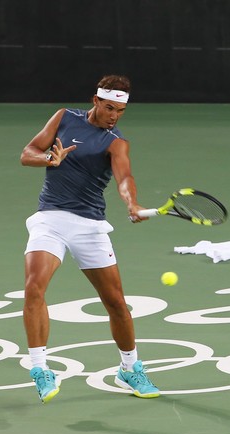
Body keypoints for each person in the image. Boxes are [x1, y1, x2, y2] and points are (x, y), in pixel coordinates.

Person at [19, 74, 159, 403]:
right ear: (95, 101)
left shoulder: (116, 143)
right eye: (109, 108)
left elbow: (125, 177)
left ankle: (129, 368)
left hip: (90, 226)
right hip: (50, 218)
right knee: (33, 287)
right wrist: (48, 158)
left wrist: (131, 203)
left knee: (116, 304)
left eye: (121, 111)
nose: (114, 116)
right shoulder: (64, 117)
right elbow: (28, 152)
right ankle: (40, 369)